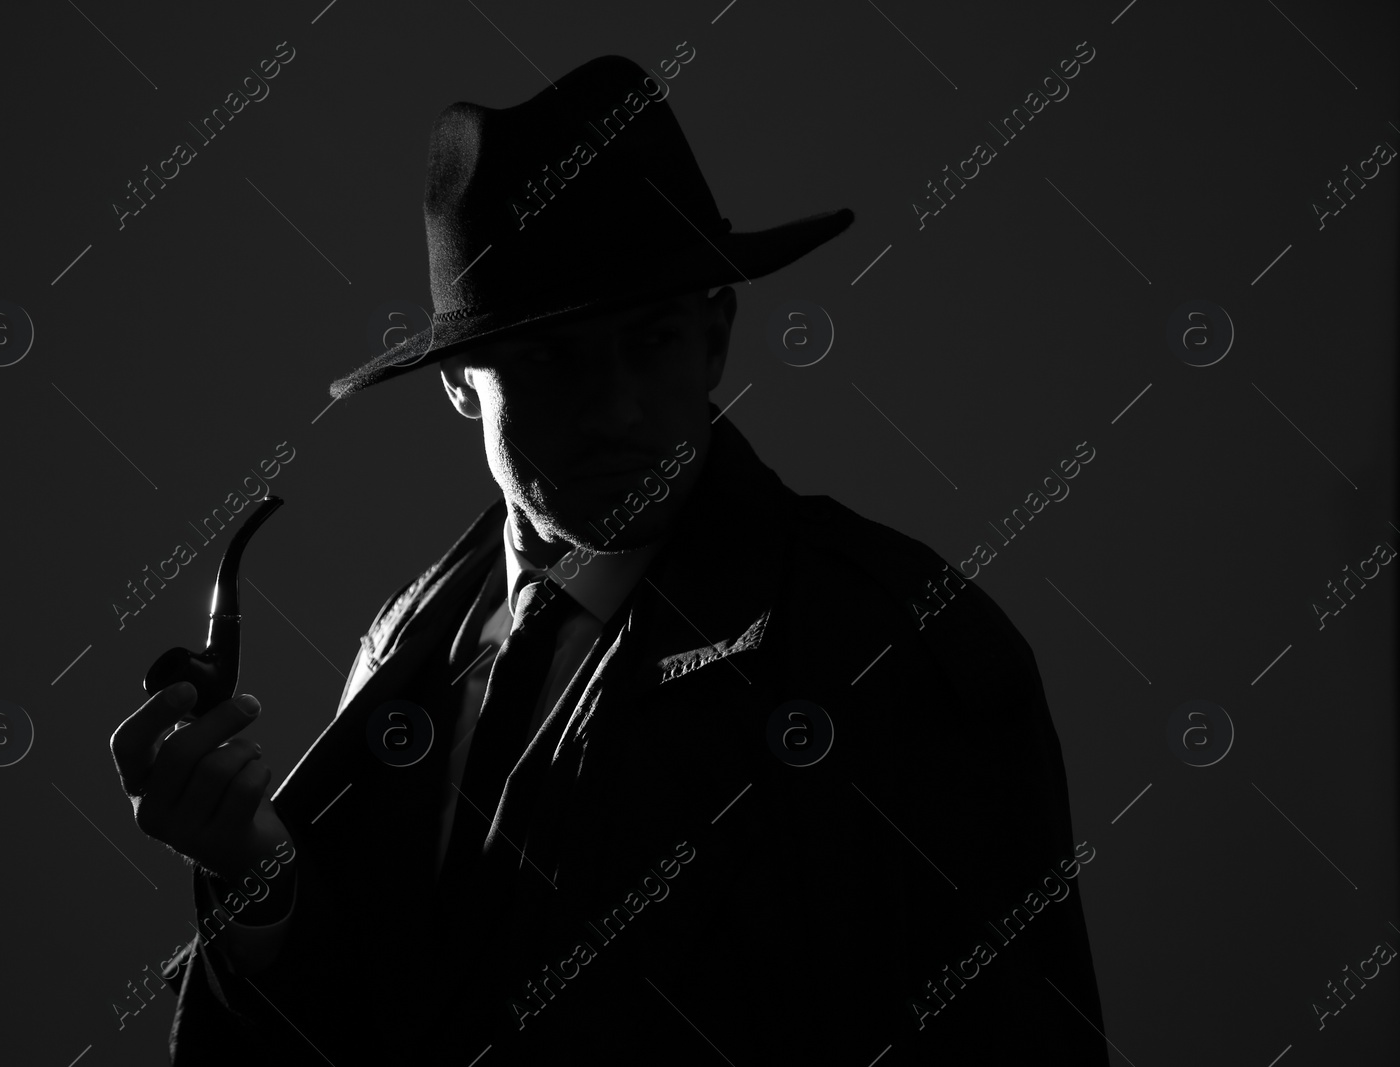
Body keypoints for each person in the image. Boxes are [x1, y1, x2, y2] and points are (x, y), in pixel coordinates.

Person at [109, 54, 1109, 1065]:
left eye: (654, 340)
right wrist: (259, 881)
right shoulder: (408, 641)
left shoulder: (899, 646)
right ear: (461, 383)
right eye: (553, 358)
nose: (619, 407)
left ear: (714, 338)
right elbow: (374, 1017)